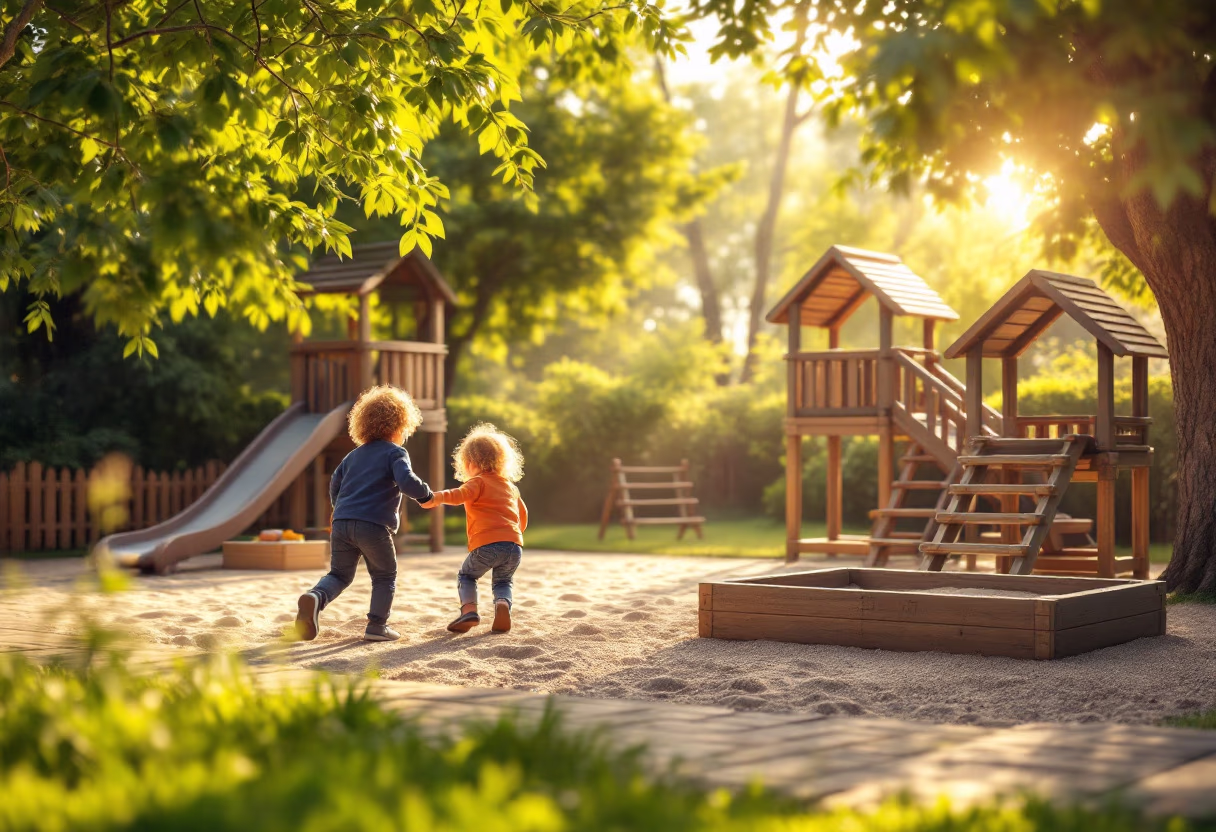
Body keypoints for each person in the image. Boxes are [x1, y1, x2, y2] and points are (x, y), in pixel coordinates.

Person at [294, 385, 433, 643]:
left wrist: (343, 511)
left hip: (342, 523)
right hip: (373, 526)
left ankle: (315, 597)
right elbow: (406, 481)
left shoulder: (351, 457)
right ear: (398, 426)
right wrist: (426, 494)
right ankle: (377, 626)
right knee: (384, 575)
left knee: (339, 574)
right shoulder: (395, 452)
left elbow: (334, 486)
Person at [419, 423, 527, 635]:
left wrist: (434, 498)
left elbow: (456, 495)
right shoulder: (510, 487)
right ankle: (503, 605)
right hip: (514, 546)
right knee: (503, 580)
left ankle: (469, 611)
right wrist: (513, 535)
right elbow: (522, 515)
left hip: (486, 544)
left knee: (467, 576)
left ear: (469, 462)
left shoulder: (477, 482)